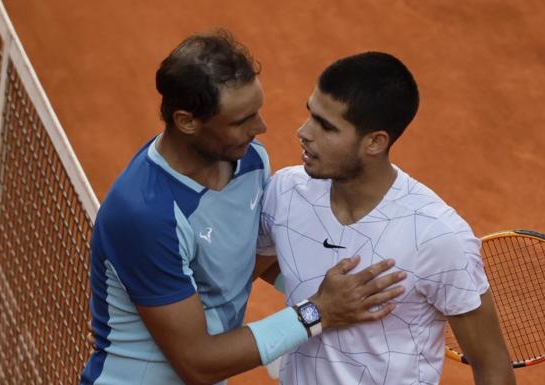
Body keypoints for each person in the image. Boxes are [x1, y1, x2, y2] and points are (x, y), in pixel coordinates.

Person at [79, 31, 406, 385]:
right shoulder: (145, 215)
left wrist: (359, 292)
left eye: (256, 112)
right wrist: (317, 311)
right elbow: (197, 364)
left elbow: (245, 261)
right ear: (187, 121)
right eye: (241, 121)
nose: (261, 127)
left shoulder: (249, 161)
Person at [258, 52, 516, 385]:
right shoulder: (285, 192)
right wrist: (323, 303)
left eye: (326, 126)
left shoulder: (436, 236)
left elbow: (493, 367)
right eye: (311, 114)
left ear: (375, 142)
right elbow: (252, 268)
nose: (304, 132)